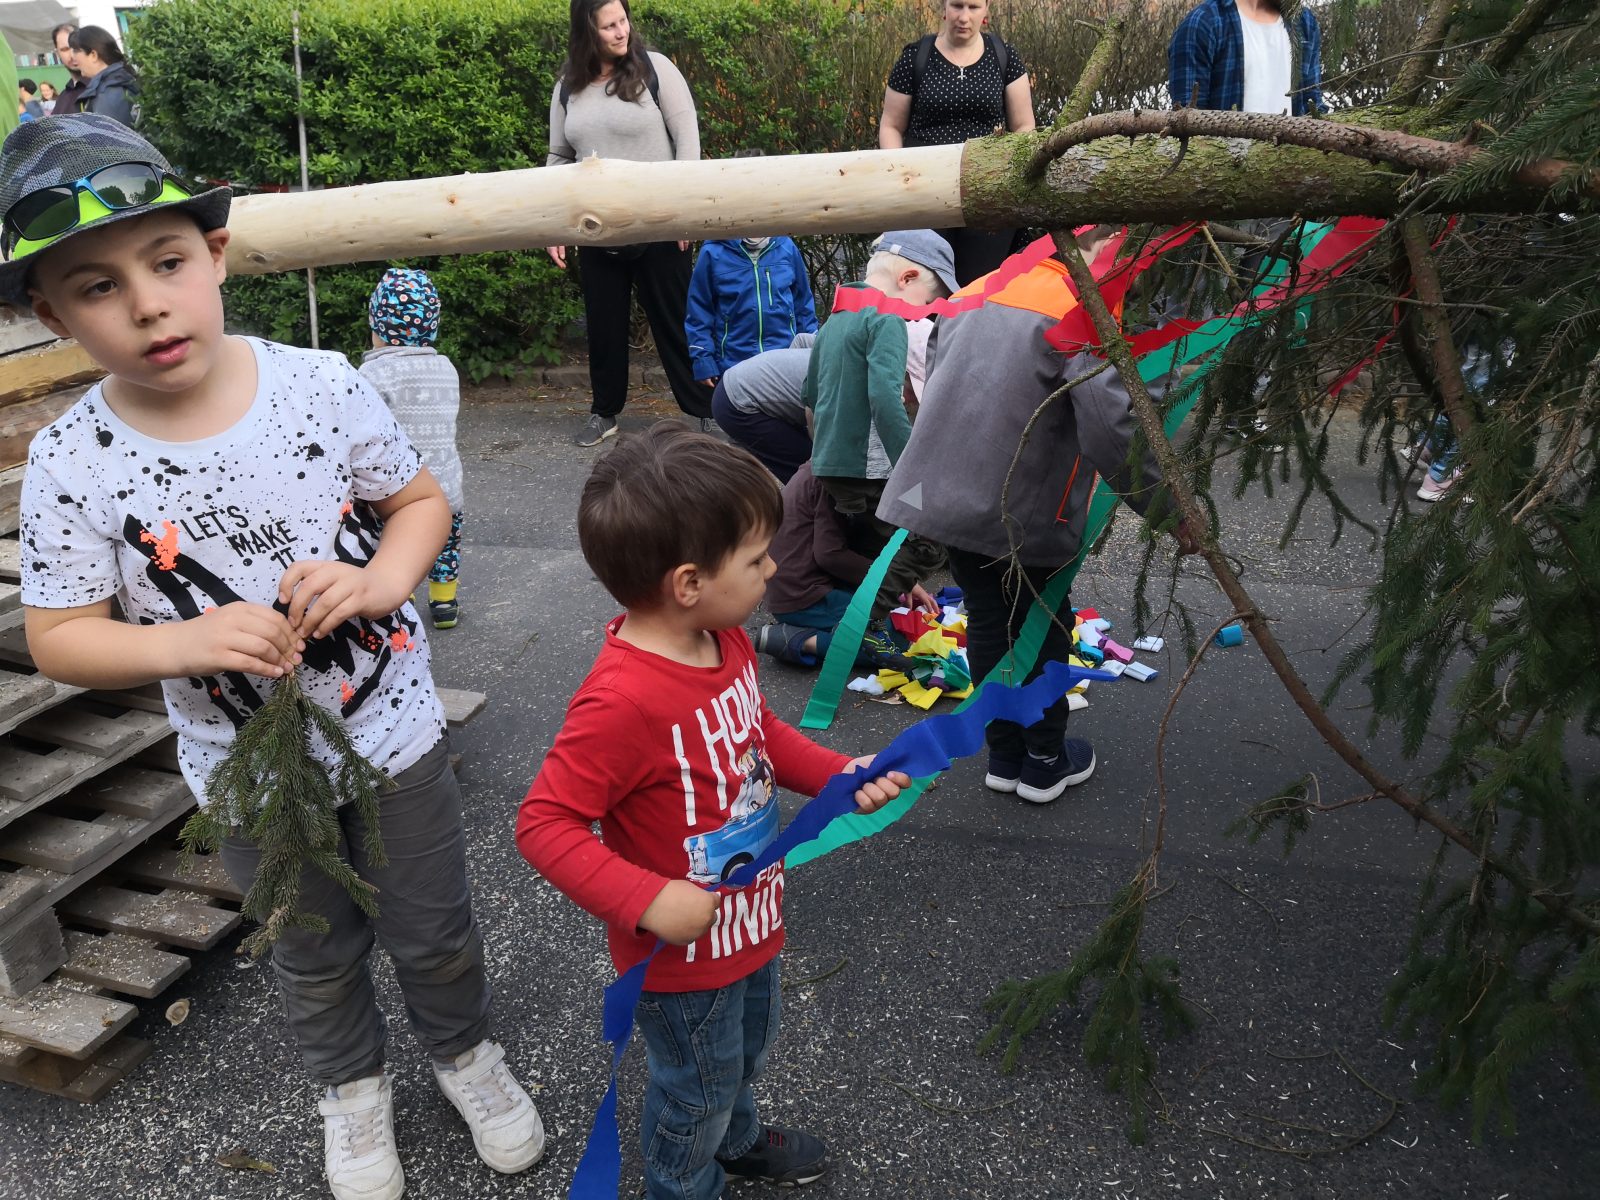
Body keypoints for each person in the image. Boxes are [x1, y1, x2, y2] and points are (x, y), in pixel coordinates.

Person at [2, 115, 544, 1200]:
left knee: (433, 929)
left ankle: (463, 1053)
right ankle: (350, 1094)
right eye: (98, 288)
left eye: (165, 263)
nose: (148, 302)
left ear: (213, 256)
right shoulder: (72, 460)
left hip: (393, 736)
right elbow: (61, 635)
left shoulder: (320, 384)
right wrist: (182, 639)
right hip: (245, 774)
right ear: (48, 314)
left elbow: (417, 504)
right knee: (309, 946)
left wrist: (387, 581)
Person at [517, 422, 909, 1200]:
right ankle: (683, 1183)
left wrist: (837, 772)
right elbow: (544, 824)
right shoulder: (621, 701)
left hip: (749, 920)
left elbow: (757, 734)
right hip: (679, 958)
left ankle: (735, 1139)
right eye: (758, 559)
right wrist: (648, 899)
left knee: (746, 1051)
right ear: (689, 581)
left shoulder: (721, 639)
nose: (773, 571)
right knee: (693, 1087)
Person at [877, 226, 1201, 804]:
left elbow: (934, 370)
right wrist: (1170, 510)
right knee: (1041, 623)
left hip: (950, 493)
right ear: (1107, 250)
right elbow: (1110, 428)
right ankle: (1045, 760)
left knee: (986, 618)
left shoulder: (986, 286)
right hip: (1024, 506)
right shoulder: (1077, 310)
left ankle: (1004, 755)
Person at [545, 0, 706, 447]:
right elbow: (559, 158)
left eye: (623, 21)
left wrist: (684, 212)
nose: (621, 31)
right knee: (603, 327)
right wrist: (555, 226)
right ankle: (604, 413)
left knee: (676, 323)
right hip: (596, 232)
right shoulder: (567, 88)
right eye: (609, 26)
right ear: (587, 32)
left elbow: (687, 138)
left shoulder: (656, 70)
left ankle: (701, 413)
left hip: (660, 227)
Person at [804, 230, 953, 612]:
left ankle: (854, 615)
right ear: (907, 279)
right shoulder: (887, 318)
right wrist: (912, 466)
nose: (923, 313)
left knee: (875, 544)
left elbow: (809, 393)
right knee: (927, 543)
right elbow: (885, 399)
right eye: (926, 302)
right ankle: (865, 625)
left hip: (833, 465)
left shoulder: (837, 316)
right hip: (868, 468)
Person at [878, 0, 1035, 286]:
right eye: (957, 6)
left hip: (989, 197)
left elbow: (1024, 127)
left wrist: (1010, 174)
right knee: (922, 295)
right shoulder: (916, 57)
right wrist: (898, 176)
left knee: (979, 293)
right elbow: (891, 125)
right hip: (923, 197)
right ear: (944, 8)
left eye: (973, 7)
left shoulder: (1005, 57)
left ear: (986, 10)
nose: (964, 17)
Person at [358, 268, 468, 629]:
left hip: (400, 491)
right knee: (445, 544)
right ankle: (444, 603)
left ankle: (399, 596)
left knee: (396, 544)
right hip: (448, 486)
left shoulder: (372, 376)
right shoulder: (445, 368)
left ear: (379, 328)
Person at [751, 460, 936, 671]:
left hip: (811, 585)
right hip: (804, 596)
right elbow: (830, 555)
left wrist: (899, 583)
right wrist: (894, 578)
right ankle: (798, 640)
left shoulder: (825, 468)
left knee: (900, 618)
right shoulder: (829, 481)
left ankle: (827, 629)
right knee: (896, 640)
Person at [684, 227, 818, 389]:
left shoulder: (786, 247)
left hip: (784, 362)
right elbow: (699, 310)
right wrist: (703, 359)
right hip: (734, 363)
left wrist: (813, 354)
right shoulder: (713, 251)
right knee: (741, 411)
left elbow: (803, 306)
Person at [1168, 0, 1324, 117]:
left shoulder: (1304, 22)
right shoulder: (1202, 24)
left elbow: (1313, 105)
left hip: (1293, 158)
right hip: (1223, 158)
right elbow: (1187, 123)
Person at [711, 333, 816, 483]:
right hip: (739, 404)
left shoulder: (838, 344)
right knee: (812, 471)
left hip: (741, 381)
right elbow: (813, 415)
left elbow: (801, 339)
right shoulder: (842, 375)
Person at [69, 26, 140, 128]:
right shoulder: (121, 79)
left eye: (76, 50)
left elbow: (109, 140)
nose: (73, 57)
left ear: (93, 55)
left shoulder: (108, 92)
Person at [49, 24, 87, 117]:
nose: (72, 55)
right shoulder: (62, 98)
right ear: (57, 53)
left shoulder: (103, 87)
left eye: (75, 47)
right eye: (65, 49)